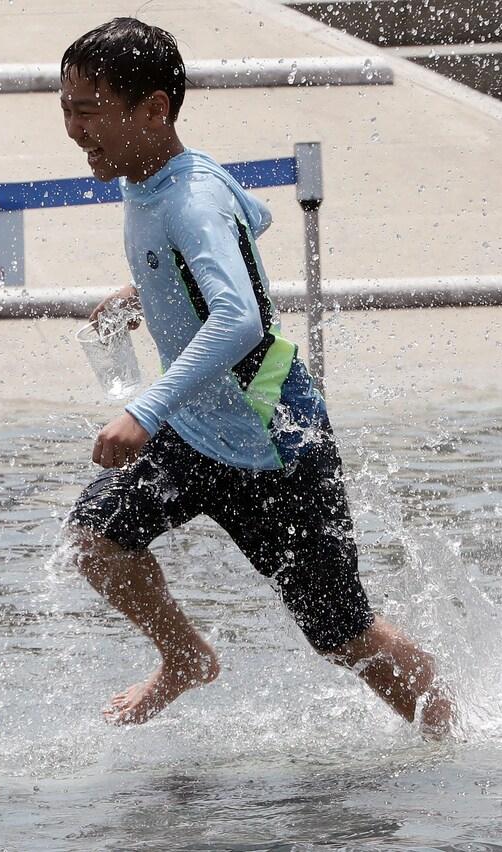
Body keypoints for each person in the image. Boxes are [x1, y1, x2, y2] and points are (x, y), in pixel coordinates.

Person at [57, 17, 452, 735]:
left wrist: (145, 409)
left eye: (90, 110)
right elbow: (257, 215)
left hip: (273, 439)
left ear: (153, 109)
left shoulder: (189, 196)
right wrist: (156, 289)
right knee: (96, 540)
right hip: (197, 429)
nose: (75, 127)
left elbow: (239, 321)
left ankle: (453, 738)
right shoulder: (161, 176)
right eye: (67, 107)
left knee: (344, 637)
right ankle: (185, 658)